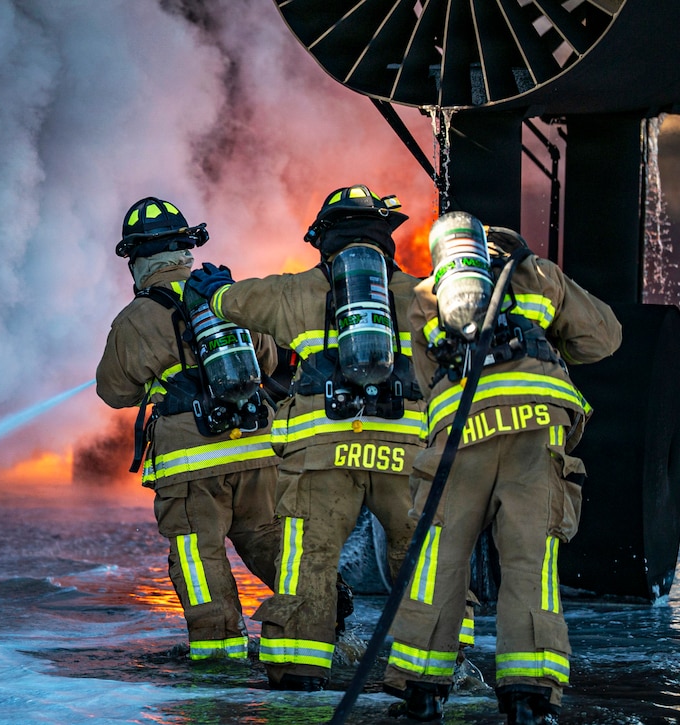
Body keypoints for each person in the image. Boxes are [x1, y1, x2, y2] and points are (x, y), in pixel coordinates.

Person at [187, 184, 436, 691]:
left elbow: (232, 302)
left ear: (324, 240)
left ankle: (298, 674)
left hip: (322, 456)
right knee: (421, 557)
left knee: (309, 558)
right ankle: (431, 674)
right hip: (406, 456)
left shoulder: (292, 291)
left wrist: (209, 290)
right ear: (385, 238)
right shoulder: (421, 295)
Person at [380, 212, 622, 724]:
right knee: (529, 562)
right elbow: (604, 339)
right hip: (536, 429)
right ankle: (527, 700)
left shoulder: (425, 295)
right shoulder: (536, 277)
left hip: (458, 436)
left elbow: (425, 380)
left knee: (437, 564)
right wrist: (538, 270)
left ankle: (421, 693)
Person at [95, 196, 283, 664]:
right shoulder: (225, 295)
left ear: (137, 259)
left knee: (198, 557)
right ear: (186, 248)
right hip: (259, 444)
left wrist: (160, 385)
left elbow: (114, 391)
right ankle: (315, 619)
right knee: (267, 535)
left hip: (190, 458)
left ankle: (221, 655)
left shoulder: (135, 319)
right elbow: (269, 362)